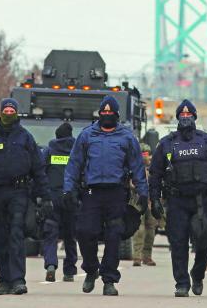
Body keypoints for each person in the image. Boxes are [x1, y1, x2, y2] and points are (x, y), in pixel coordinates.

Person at [63, 96, 148, 297]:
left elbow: (137, 167)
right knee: (85, 232)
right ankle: (91, 270)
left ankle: (109, 279)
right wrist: (68, 190)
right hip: (92, 192)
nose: (107, 115)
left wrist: (143, 193)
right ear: (99, 114)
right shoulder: (86, 136)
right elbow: (74, 165)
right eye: (104, 112)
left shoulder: (127, 137)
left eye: (111, 112)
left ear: (117, 115)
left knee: (114, 236)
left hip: (116, 193)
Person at [0, 98, 52, 296]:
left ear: (16, 113)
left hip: (19, 193)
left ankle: (18, 280)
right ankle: (4, 280)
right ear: (0, 112)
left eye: (11, 109)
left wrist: (45, 196)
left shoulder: (25, 137)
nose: (8, 112)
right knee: (1, 238)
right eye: (5, 109)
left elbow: (39, 169)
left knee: (16, 234)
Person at [148, 100, 207, 297]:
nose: (185, 117)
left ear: (194, 117)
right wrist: (155, 199)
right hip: (177, 201)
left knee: (203, 242)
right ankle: (182, 283)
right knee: (178, 243)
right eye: (182, 114)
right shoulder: (166, 144)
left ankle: (197, 274)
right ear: (177, 118)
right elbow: (155, 173)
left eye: (188, 114)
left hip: (203, 200)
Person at [41, 122, 79, 282]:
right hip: (71, 198)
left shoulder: (49, 151)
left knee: (51, 234)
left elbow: (40, 173)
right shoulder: (77, 151)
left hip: (53, 198)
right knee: (70, 235)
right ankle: (69, 271)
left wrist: (42, 196)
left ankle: (51, 264)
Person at [132, 143, 158, 267]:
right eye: (144, 154)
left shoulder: (153, 168)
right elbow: (131, 183)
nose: (147, 157)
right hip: (137, 199)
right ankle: (137, 256)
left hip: (150, 200)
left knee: (151, 229)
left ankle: (147, 256)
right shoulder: (135, 167)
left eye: (147, 154)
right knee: (139, 229)